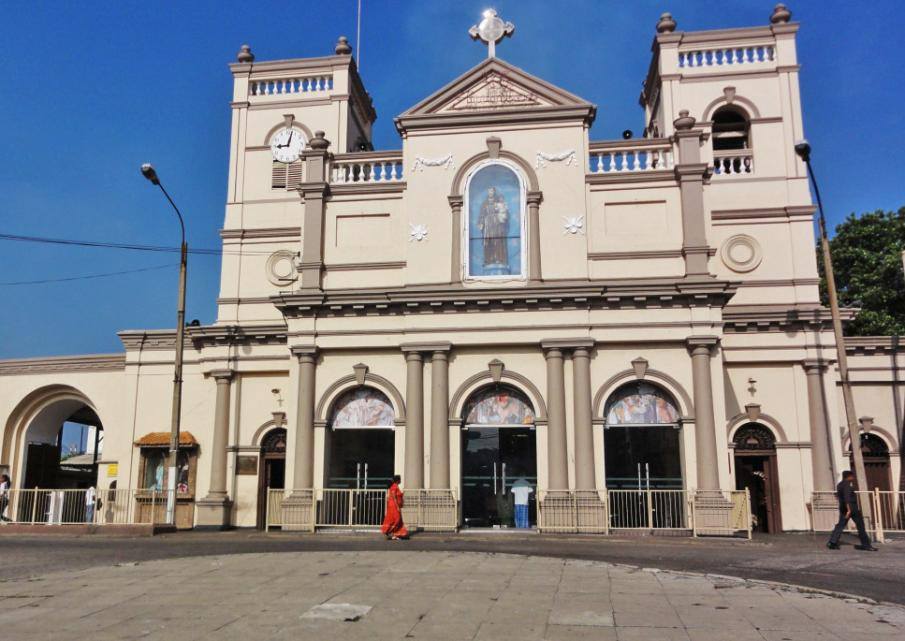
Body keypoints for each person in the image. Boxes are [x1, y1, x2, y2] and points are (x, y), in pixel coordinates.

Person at [827, 470, 877, 551]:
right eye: (852, 476)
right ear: (849, 476)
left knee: (840, 525)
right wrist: (849, 510)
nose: (853, 478)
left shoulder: (839, 485)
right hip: (851, 508)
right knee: (860, 525)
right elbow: (847, 497)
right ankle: (866, 545)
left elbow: (840, 496)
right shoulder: (847, 484)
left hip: (843, 508)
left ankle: (832, 542)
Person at [380, 475, 409, 540]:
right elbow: (394, 497)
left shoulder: (396, 486)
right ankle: (389, 531)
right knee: (397, 519)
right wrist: (397, 506)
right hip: (393, 506)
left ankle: (397, 534)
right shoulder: (394, 487)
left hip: (394, 505)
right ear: (397, 480)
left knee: (398, 519)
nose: (401, 480)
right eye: (400, 479)